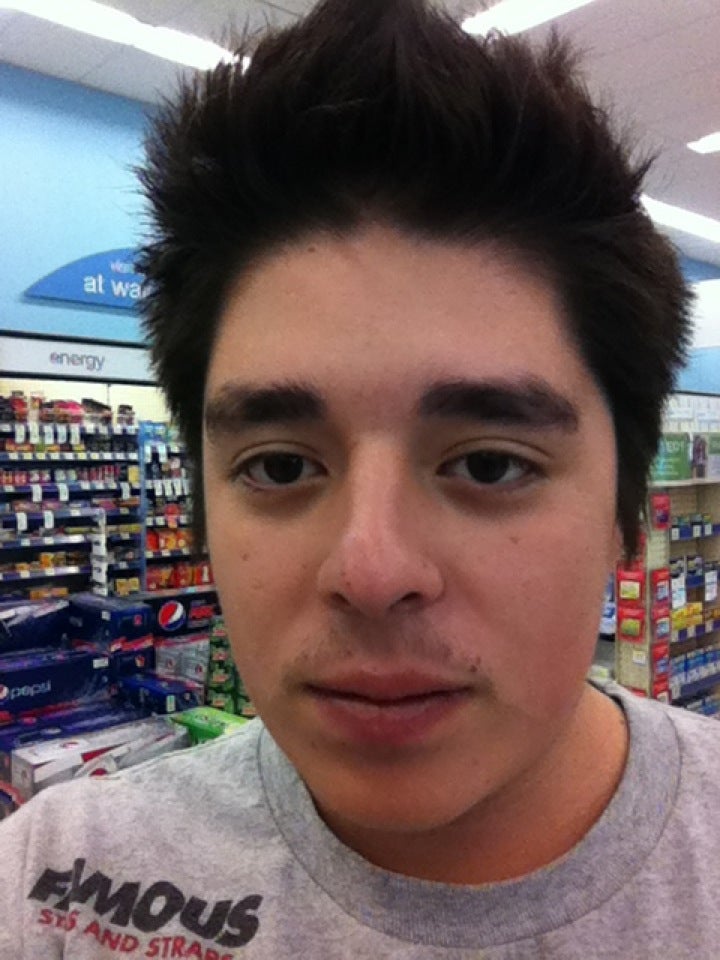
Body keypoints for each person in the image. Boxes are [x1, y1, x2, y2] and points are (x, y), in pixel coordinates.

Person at [1, 0, 718, 956]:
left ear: (628, 513)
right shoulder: (57, 889)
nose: (371, 573)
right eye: (280, 466)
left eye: (490, 464)